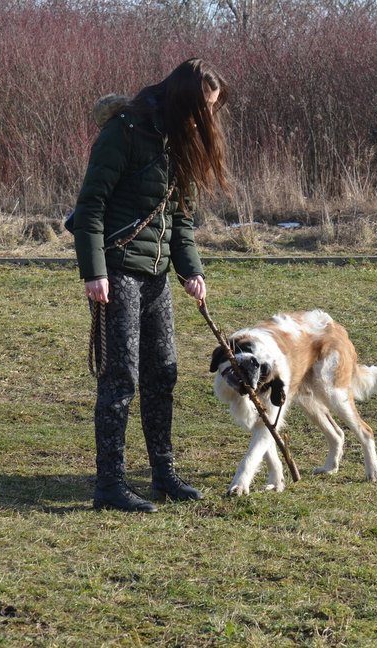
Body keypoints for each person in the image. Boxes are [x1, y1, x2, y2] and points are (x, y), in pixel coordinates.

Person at [70, 58, 230, 512]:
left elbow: (179, 217)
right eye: (204, 108)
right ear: (183, 101)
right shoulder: (124, 131)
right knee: (119, 378)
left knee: (163, 372)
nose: (209, 118)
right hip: (117, 271)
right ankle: (110, 485)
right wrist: (94, 272)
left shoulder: (180, 141)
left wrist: (191, 270)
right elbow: (91, 206)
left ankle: (163, 474)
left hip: (157, 276)